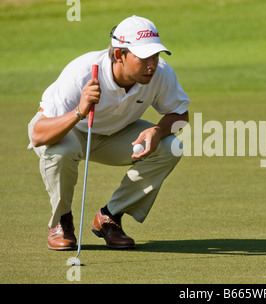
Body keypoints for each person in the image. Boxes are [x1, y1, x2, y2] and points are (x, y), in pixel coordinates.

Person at [27, 15, 189, 250]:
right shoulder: (81, 71)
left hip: (116, 134)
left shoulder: (160, 73)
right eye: (143, 57)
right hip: (72, 129)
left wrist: (157, 130)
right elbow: (39, 135)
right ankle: (61, 221)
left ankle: (109, 217)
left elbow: (180, 114)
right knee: (60, 151)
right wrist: (79, 111)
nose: (152, 64)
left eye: (155, 55)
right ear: (118, 55)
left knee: (170, 146)